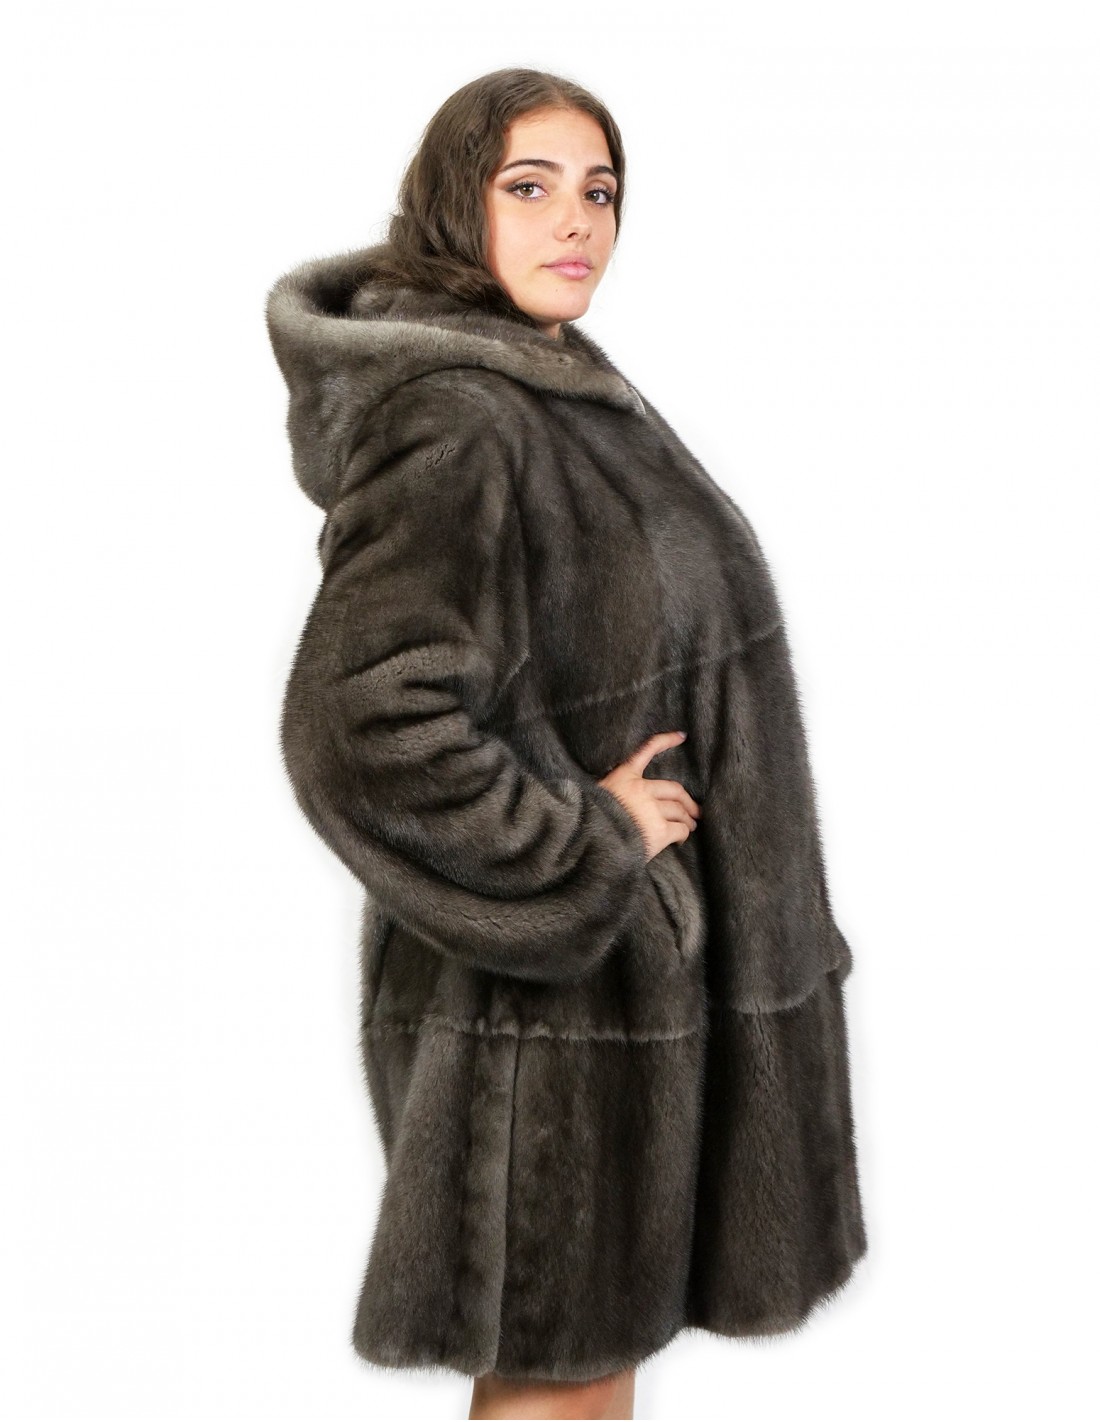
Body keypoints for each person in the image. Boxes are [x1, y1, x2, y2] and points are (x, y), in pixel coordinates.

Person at [266, 67, 867, 1422]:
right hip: (542, 1013)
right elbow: (359, 725)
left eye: (600, 191)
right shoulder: (458, 415)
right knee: (558, 1380)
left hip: (612, 999)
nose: (577, 220)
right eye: (529, 186)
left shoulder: (552, 387)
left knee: (591, 1379)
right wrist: (586, 841)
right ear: (453, 203)